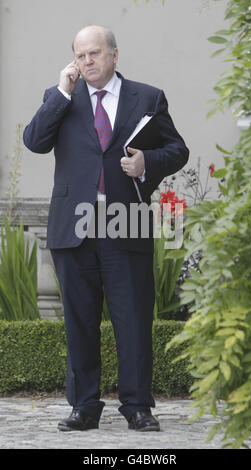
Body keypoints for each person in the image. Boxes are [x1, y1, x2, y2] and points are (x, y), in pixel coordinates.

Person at [23, 25, 189, 432]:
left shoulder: (147, 97)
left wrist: (146, 162)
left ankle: (137, 407)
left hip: (125, 223)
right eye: (80, 56)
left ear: (115, 55)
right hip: (74, 227)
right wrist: (61, 93)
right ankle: (84, 407)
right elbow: (34, 141)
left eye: (95, 53)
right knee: (79, 320)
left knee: (132, 319)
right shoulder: (59, 97)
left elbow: (178, 150)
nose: (87, 62)